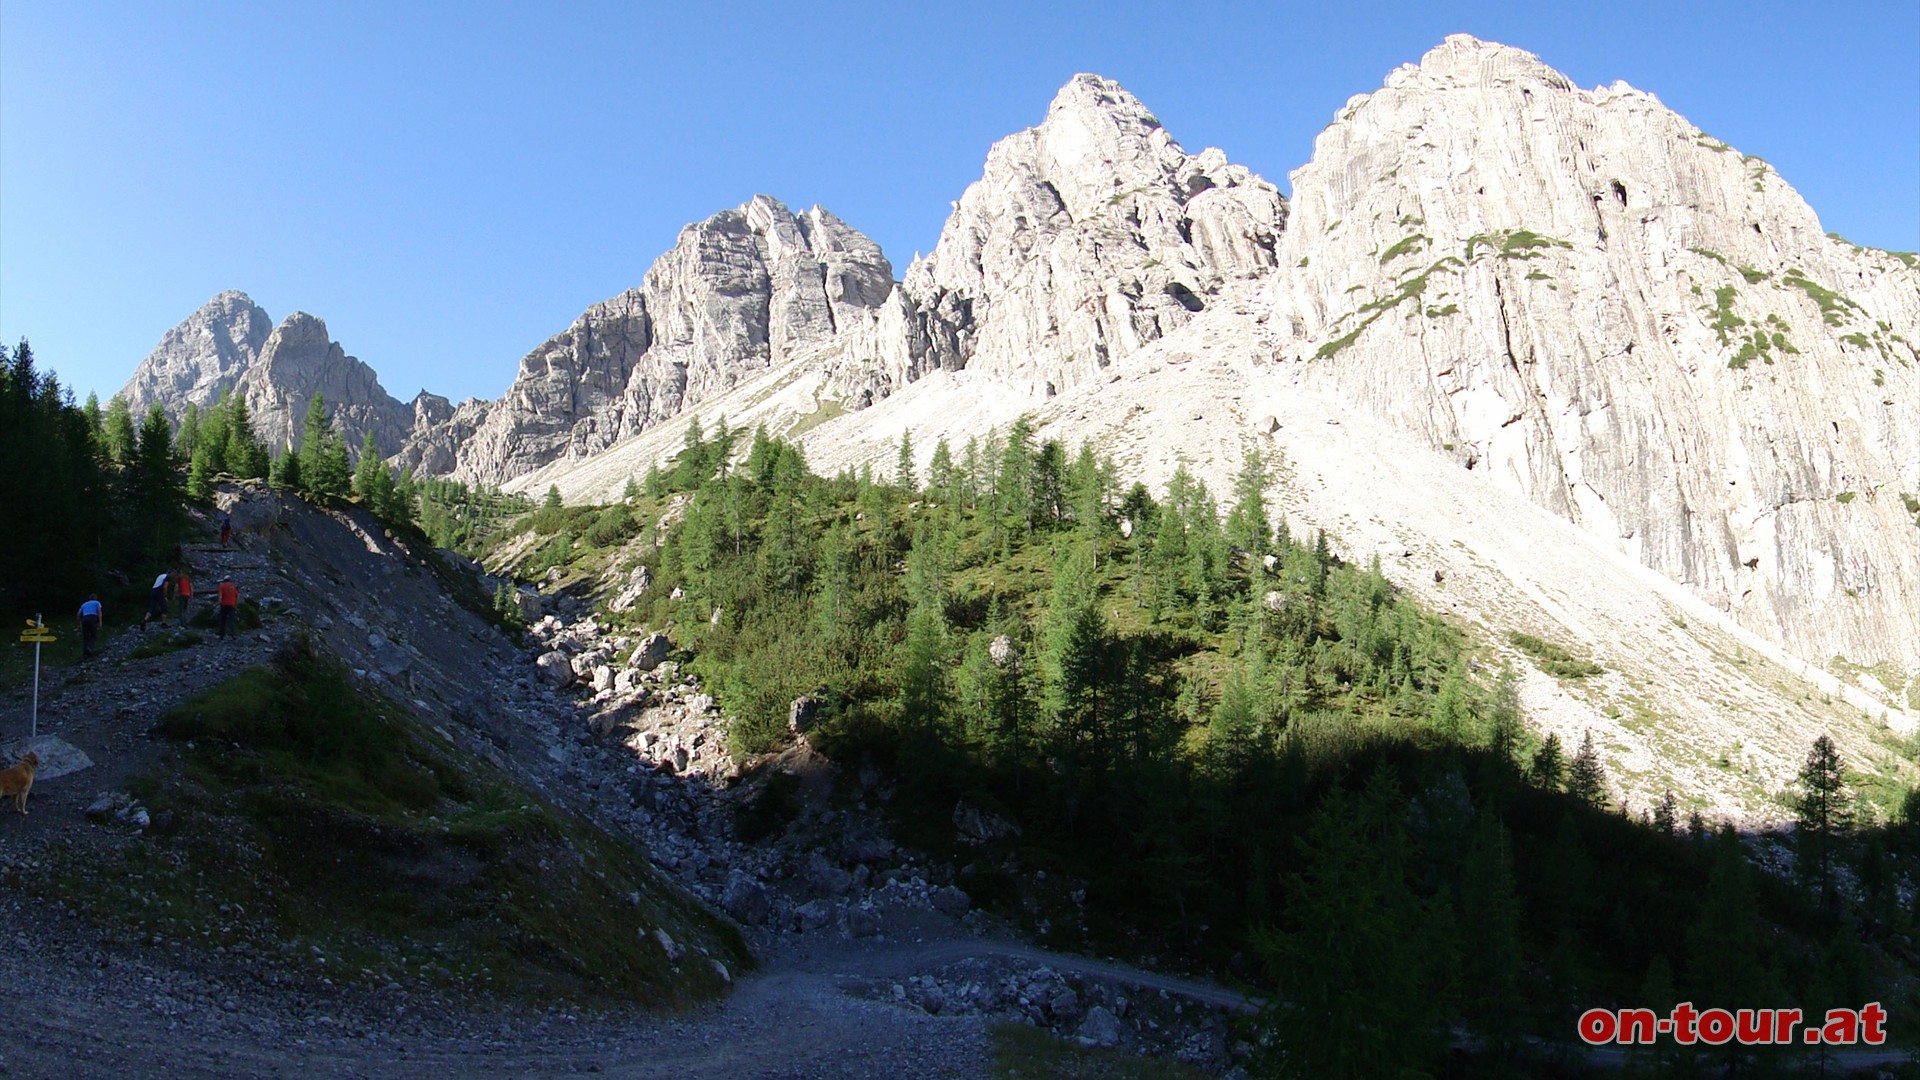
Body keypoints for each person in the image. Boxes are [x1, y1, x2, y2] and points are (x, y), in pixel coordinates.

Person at [77, 594, 103, 659]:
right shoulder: (97, 603)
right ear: (95, 598)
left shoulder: (84, 604)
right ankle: (90, 647)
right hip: (92, 618)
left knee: (85, 637)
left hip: (84, 618)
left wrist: (78, 624)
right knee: (93, 635)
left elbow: (78, 614)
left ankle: (85, 654)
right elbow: (99, 611)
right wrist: (100, 622)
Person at [216, 575, 238, 639]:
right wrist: (236, 605)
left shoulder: (222, 586)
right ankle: (233, 634)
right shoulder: (233, 587)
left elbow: (220, 596)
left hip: (224, 605)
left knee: (222, 620)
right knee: (232, 620)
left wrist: (219, 603)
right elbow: (236, 597)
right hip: (232, 605)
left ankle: (222, 635)